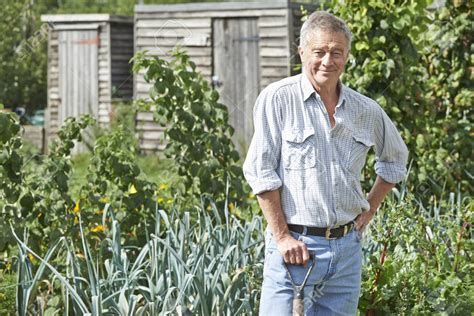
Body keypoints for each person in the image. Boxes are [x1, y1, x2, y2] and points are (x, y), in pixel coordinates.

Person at [243, 11, 409, 315]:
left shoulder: (365, 110)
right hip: (295, 249)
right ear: (302, 51)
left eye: (337, 52)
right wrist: (281, 237)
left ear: (346, 56)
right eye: (319, 51)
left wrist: (370, 208)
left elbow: (395, 160)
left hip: (346, 252)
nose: (327, 61)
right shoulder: (278, 99)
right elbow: (260, 171)